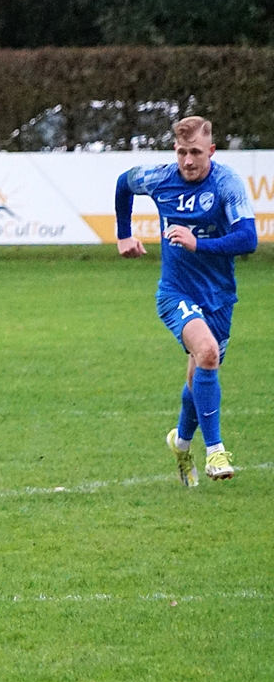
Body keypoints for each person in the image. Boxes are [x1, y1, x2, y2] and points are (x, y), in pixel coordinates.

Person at [115, 116, 257, 486]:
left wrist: (199, 244)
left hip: (219, 296)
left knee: (200, 372)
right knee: (207, 353)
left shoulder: (226, 183)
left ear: (211, 150)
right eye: (181, 152)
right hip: (175, 292)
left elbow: (248, 239)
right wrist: (123, 235)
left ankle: (180, 443)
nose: (188, 161)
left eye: (195, 152)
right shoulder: (160, 178)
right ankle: (216, 451)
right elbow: (124, 183)